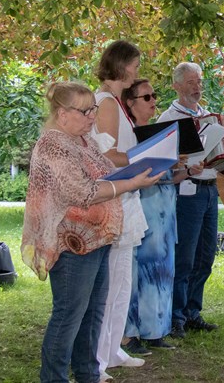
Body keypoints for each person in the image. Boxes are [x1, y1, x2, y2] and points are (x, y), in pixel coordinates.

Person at [21, 81, 162, 383]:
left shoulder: (85, 141)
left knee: (93, 313)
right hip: (71, 243)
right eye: (85, 111)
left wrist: (140, 171)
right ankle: (54, 378)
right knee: (69, 315)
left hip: (96, 238)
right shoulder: (54, 144)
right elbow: (82, 192)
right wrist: (132, 183)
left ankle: (88, 374)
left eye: (93, 110)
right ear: (62, 115)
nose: (92, 117)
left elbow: (107, 173)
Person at [90, 41, 149, 376]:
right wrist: (146, 161)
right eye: (135, 65)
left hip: (125, 196)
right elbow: (107, 156)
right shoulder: (107, 102)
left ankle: (112, 349)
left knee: (122, 280)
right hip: (114, 198)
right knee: (110, 284)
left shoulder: (114, 103)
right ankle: (97, 359)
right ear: (122, 65)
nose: (137, 72)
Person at [156, 62, 216, 336]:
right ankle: (175, 315)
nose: (198, 87)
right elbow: (161, 163)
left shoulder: (209, 116)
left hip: (209, 189)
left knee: (206, 255)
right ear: (177, 85)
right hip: (186, 191)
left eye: (200, 81)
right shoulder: (168, 118)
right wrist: (185, 166)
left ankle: (193, 311)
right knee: (184, 257)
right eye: (192, 82)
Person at [122, 79, 181, 350]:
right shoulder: (130, 136)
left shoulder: (161, 135)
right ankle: (131, 332)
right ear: (130, 103)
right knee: (140, 270)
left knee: (162, 269)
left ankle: (156, 330)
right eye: (146, 97)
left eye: (154, 95)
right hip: (143, 207)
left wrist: (186, 170)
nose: (153, 101)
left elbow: (168, 177)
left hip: (165, 209)